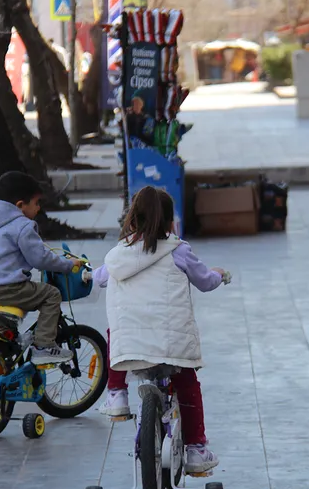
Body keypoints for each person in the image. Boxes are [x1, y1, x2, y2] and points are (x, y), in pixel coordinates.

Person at [92, 186, 227, 474]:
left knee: (117, 330)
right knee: (187, 384)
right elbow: (205, 282)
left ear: (131, 220)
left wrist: (83, 272)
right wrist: (219, 274)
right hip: (171, 346)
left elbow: (99, 278)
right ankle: (196, 450)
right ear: (169, 222)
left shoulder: (117, 256)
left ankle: (117, 395)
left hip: (130, 347)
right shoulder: (179, 251)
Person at [0, 172, 83, 365]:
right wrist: (68, 265)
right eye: (36, 203)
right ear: (20, 205)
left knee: (7, 337)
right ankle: (44, 346)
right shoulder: (22, 225)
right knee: (51, 295)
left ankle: (0, 364)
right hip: (6, 288)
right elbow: (40, 258)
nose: (38, 208)